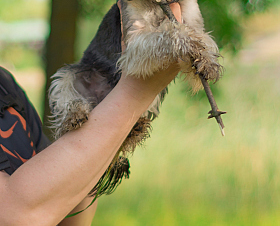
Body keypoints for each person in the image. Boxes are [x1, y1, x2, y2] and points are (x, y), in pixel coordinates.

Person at [0, 61, 179, 226]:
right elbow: (18, 216)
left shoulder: (4, 85)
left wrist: (101, 130)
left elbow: (68, 216)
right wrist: (135, 91)